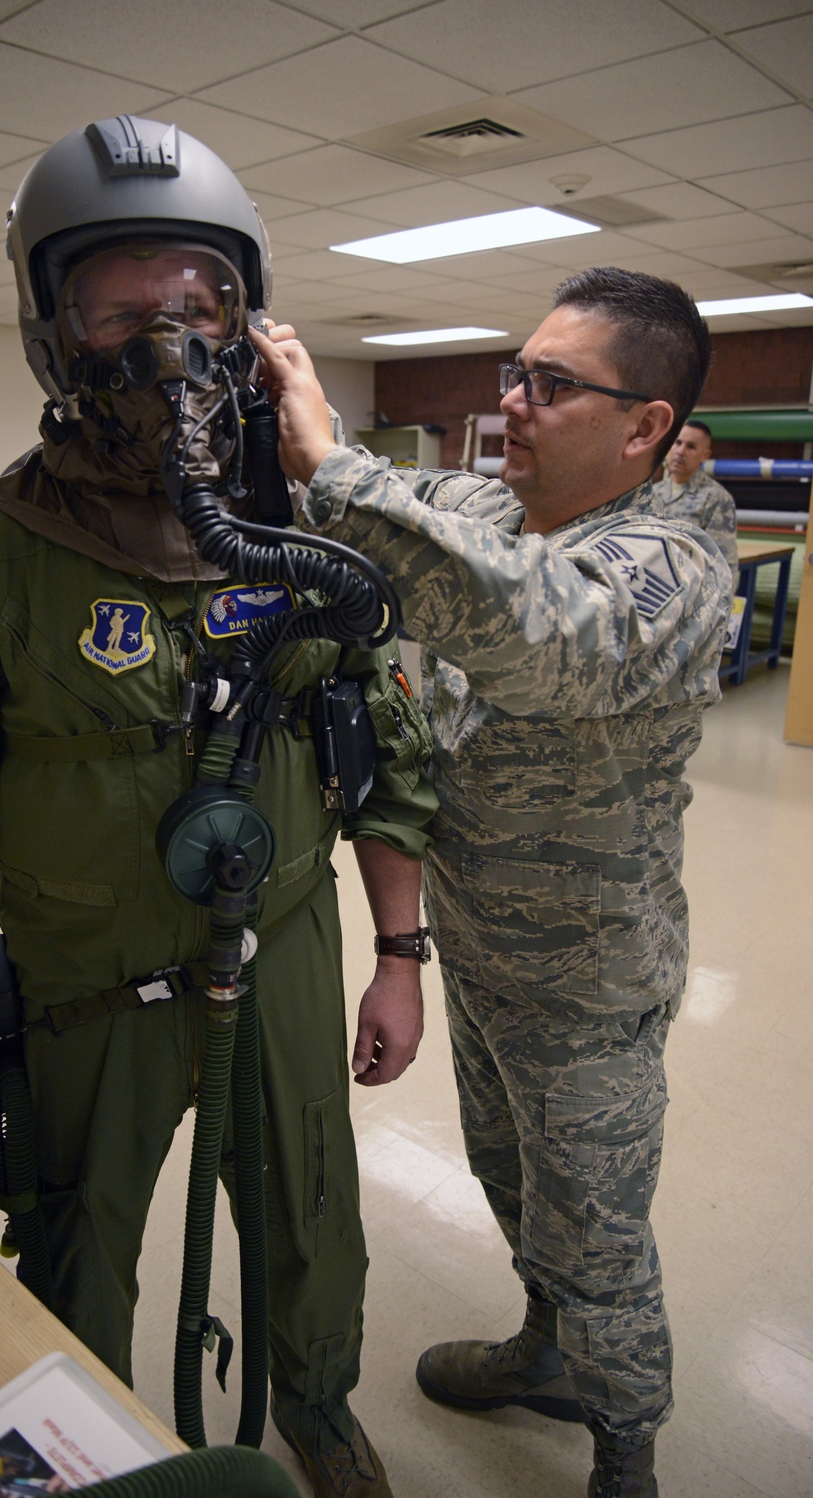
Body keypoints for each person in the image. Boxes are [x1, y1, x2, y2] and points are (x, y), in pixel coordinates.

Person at [0, 116, 438, 1498]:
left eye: (201, 298)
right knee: (76, 1234)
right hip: (86, 972)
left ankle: (317, 1399)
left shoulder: (314, 534)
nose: (167, 333)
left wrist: (400, 954)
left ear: (249, 315)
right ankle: (89, 1448)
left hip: (282, 936)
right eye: (119, 306)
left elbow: (385, 757)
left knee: (307, 1199)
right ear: (53, 329)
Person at [250, 266, 734, 1498]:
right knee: (510, 1180)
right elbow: (412, 507)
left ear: (646, 428)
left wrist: (337, 475)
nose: (514, 402)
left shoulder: (668, 567)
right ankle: (545, 1350)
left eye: (553, 384)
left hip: (586, 984)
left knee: (601, 1241)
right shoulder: (506, 503)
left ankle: (625, 1451)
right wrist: (301, 418)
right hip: (480, 952)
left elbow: (540, 631)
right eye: (515, 374)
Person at [653, 419, 737, 581]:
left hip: (689, 590)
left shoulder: (717, 498)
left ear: (704, 456)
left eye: (691, 447)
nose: (680, 451)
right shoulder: (653, 493)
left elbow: (724, 562)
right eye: (677, 443)